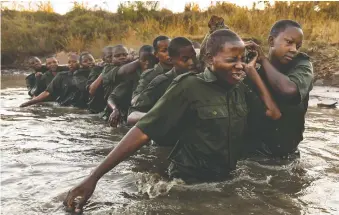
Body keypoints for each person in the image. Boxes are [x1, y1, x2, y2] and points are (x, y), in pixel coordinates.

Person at [64, 29, 281, 214]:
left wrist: (252, 72)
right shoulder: (188, 86)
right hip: (189, 184)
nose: (240, 66)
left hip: (225, 181)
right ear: (209, 59)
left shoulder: (238, 89)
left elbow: (273, 113)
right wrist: (93, 178)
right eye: (232, 60)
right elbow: (143, 130)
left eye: (242, 60)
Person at [244, 20, 314, 157]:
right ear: (271, 41)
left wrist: (263, 60)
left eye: (298, 46)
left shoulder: (303, 66)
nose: (294, 49)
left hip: (287, 156)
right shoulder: (252, 70)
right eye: (289, 42)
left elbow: (288, 90)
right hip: (252, 156)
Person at [127, 37, 197, 127]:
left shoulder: (200, 75)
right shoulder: (158, 80)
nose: (192, 62)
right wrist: (159, 116)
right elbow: (134, 108)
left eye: (193, 57)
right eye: (185, 59)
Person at [106, 45, 157, 127]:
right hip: (135, 115)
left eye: (151, 60)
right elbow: (112, 97)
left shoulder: (161, 73)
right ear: (139, 61)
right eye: (144, 60)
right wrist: (115, 110)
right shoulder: (133, 75)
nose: (147, 63)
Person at [19, 53, 95, 108]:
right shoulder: (59, 75)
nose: (71, 64)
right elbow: (44, 92)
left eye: (74, 62)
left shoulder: (90, 71)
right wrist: (29, 103)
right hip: (62, 103)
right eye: (69, 62)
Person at [87, 45, 129, 115]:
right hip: (99, 107)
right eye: (109, 57)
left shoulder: (124, 65)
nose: (110, 59)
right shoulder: (98, 69)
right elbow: (91, 90)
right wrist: (103, 73)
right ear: (103, 59)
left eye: (124, 55)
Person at [131, 36, 173, 104]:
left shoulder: (182, 69)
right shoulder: (150, 75)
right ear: (156, 54)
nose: (169, 53)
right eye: (164, 50)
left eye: (171, 49)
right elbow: (135, 100)